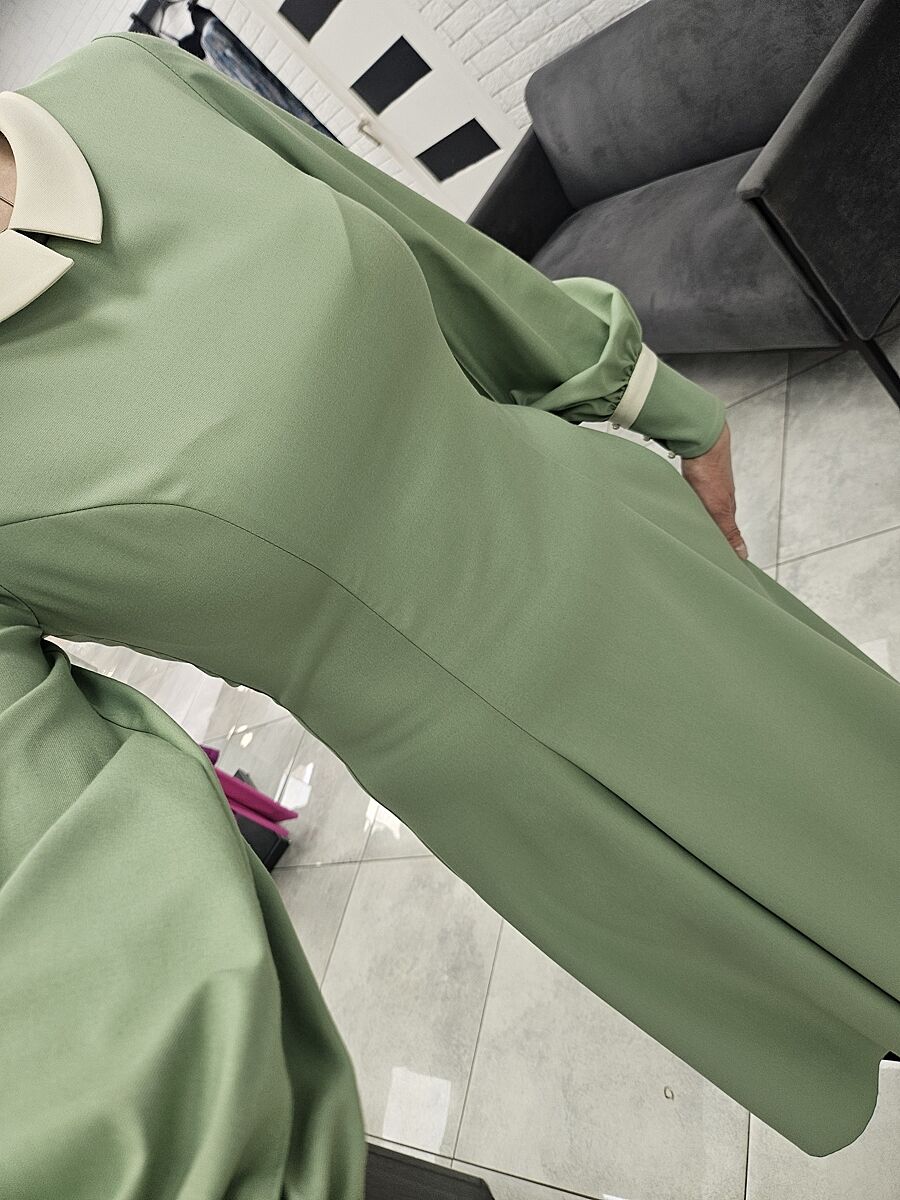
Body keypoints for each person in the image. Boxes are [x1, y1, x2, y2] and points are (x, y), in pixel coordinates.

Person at [0, 31, 898, 1199]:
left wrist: (652, 392)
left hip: (627, 536)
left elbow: (431, 250)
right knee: (843, 922)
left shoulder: (134, 85)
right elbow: (56, 853)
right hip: (525, 758)